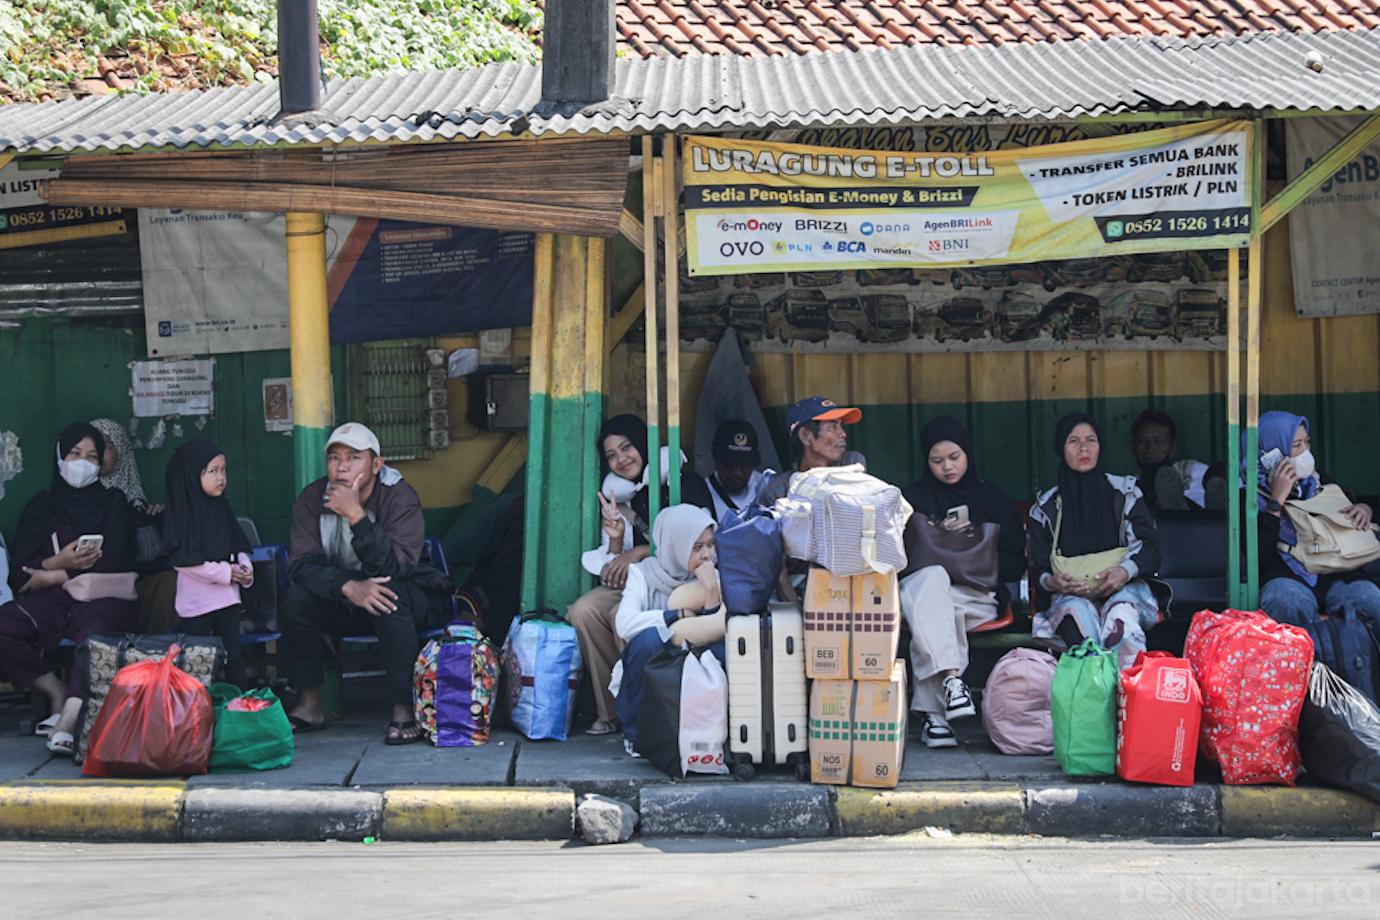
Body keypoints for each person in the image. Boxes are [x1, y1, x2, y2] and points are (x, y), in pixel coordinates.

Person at [279, 422, 443, 745]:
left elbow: (395, 567)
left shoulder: (399, 496)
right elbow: (301, 565)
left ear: (376, 464)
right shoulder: (312, 498)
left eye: (354, 458)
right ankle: (310, 704)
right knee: (297, 601)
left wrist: (356, 516)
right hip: (344, 596)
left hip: (404, 593)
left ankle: (403, 708)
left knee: (389, 595)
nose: (342, 467)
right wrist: (348, 586)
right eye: (334, 458)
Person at [568, 414, 712, 736]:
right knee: (584, 611)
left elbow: (703, 545)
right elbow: (615, 566)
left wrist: (640, 551)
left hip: (679, 584)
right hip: (639, 582)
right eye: (611, 455)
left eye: (627, 447)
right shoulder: (619, 498)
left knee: (621, 615)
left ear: (643, 445)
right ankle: (612, 711)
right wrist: (617, 540)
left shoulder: (686, 484)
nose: (621, 459)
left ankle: (644, 710)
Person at [0, 423, 137, 755]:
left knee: (96, 635)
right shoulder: (41, 507)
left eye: (92, 457)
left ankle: (70, 719)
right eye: (75, 454)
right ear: (60, 457)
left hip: (99, 596)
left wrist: (57, 573)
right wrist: (56, 562)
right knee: (4, 625)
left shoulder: (113, 502)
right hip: (51, 600)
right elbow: (19, 573)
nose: (83, 463)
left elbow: (120, 560)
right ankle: (56, 692)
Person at [899, 417, 1026, 748]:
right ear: (926, 461)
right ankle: (953, 683)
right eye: (937, 460)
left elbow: (1016, 561)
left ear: (967, 453)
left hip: (975, 597)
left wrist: (973, 550)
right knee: (933, 581)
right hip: (923, 592)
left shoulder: (990, 498)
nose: (948, 467)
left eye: (954, 457)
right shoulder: (911, 500)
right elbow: (895, 561)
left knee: (937, 613)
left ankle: (934, 715)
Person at [1028, 413, 1162, 670]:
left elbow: (1151, 549)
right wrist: (1053, 582)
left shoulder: (1125, 494)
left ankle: (1128, 691)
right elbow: (1038, 568)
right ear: (1061, 448)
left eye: (1091, 440)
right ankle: (1094, 690)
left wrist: (1124, 572)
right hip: (1070, 596)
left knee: (1120, 621)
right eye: (1073, 441)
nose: (1084, 448)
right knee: (1079, 627)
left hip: (1125, 590)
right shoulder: (1046, 509)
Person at [612, 503, 721, 756]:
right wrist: (674, 616)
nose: (707, 555)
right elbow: (625, 624)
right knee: (649, 640)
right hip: (657, 664)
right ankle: (636, 734)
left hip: (692, 661)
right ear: (676, 545)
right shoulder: (643, 574)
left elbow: (714, 628)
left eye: (710, 544)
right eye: (697, 547)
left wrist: (711, 591)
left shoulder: (711, 577)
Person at [1253, 410, 1380, 626]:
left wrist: (1365, 509)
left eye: (1307, 442)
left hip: (1338, 572)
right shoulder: (1247, 496)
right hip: (1285, 576)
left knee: (1371, 600)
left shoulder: (1319, 482)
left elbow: (1347, 514)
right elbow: (1259, 555)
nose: (1305, 451)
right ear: (1272, 453)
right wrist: (1276, 500)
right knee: (1287, 603)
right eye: (1296, 445)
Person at [159, 439, 253, 690]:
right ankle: (199, 710)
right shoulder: (181, 516)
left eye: (224, 470)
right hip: (197, 605)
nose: (221, 477)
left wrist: (245, 568)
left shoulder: (222, 509)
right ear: (193, 475)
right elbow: (184, 562)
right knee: (198, 662)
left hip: (227, 600)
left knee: (234, 658)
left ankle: (239, 707)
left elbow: (238, 546)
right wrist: (226, 572)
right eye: (213, 471)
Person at [757, 396, 865, 508]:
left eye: (840, 426)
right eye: (832, 427)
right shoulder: (778, 491)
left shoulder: (851, 464)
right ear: (805, 436)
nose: (843, 433)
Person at [1129, 409, 1225, 512]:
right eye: (1143, 442)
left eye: (1158, 441)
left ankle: (1219, 511)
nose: (1150, 449)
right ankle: (1178, 511)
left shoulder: (1194, 471)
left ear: (1173, 448)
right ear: (1133, 447)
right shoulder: (1129, 487)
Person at [705, 419, 774, 522]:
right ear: (715, 458)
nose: (737, 472)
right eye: (729, 465)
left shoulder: (767, 489)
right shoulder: (703, 494)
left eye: (744, 466)